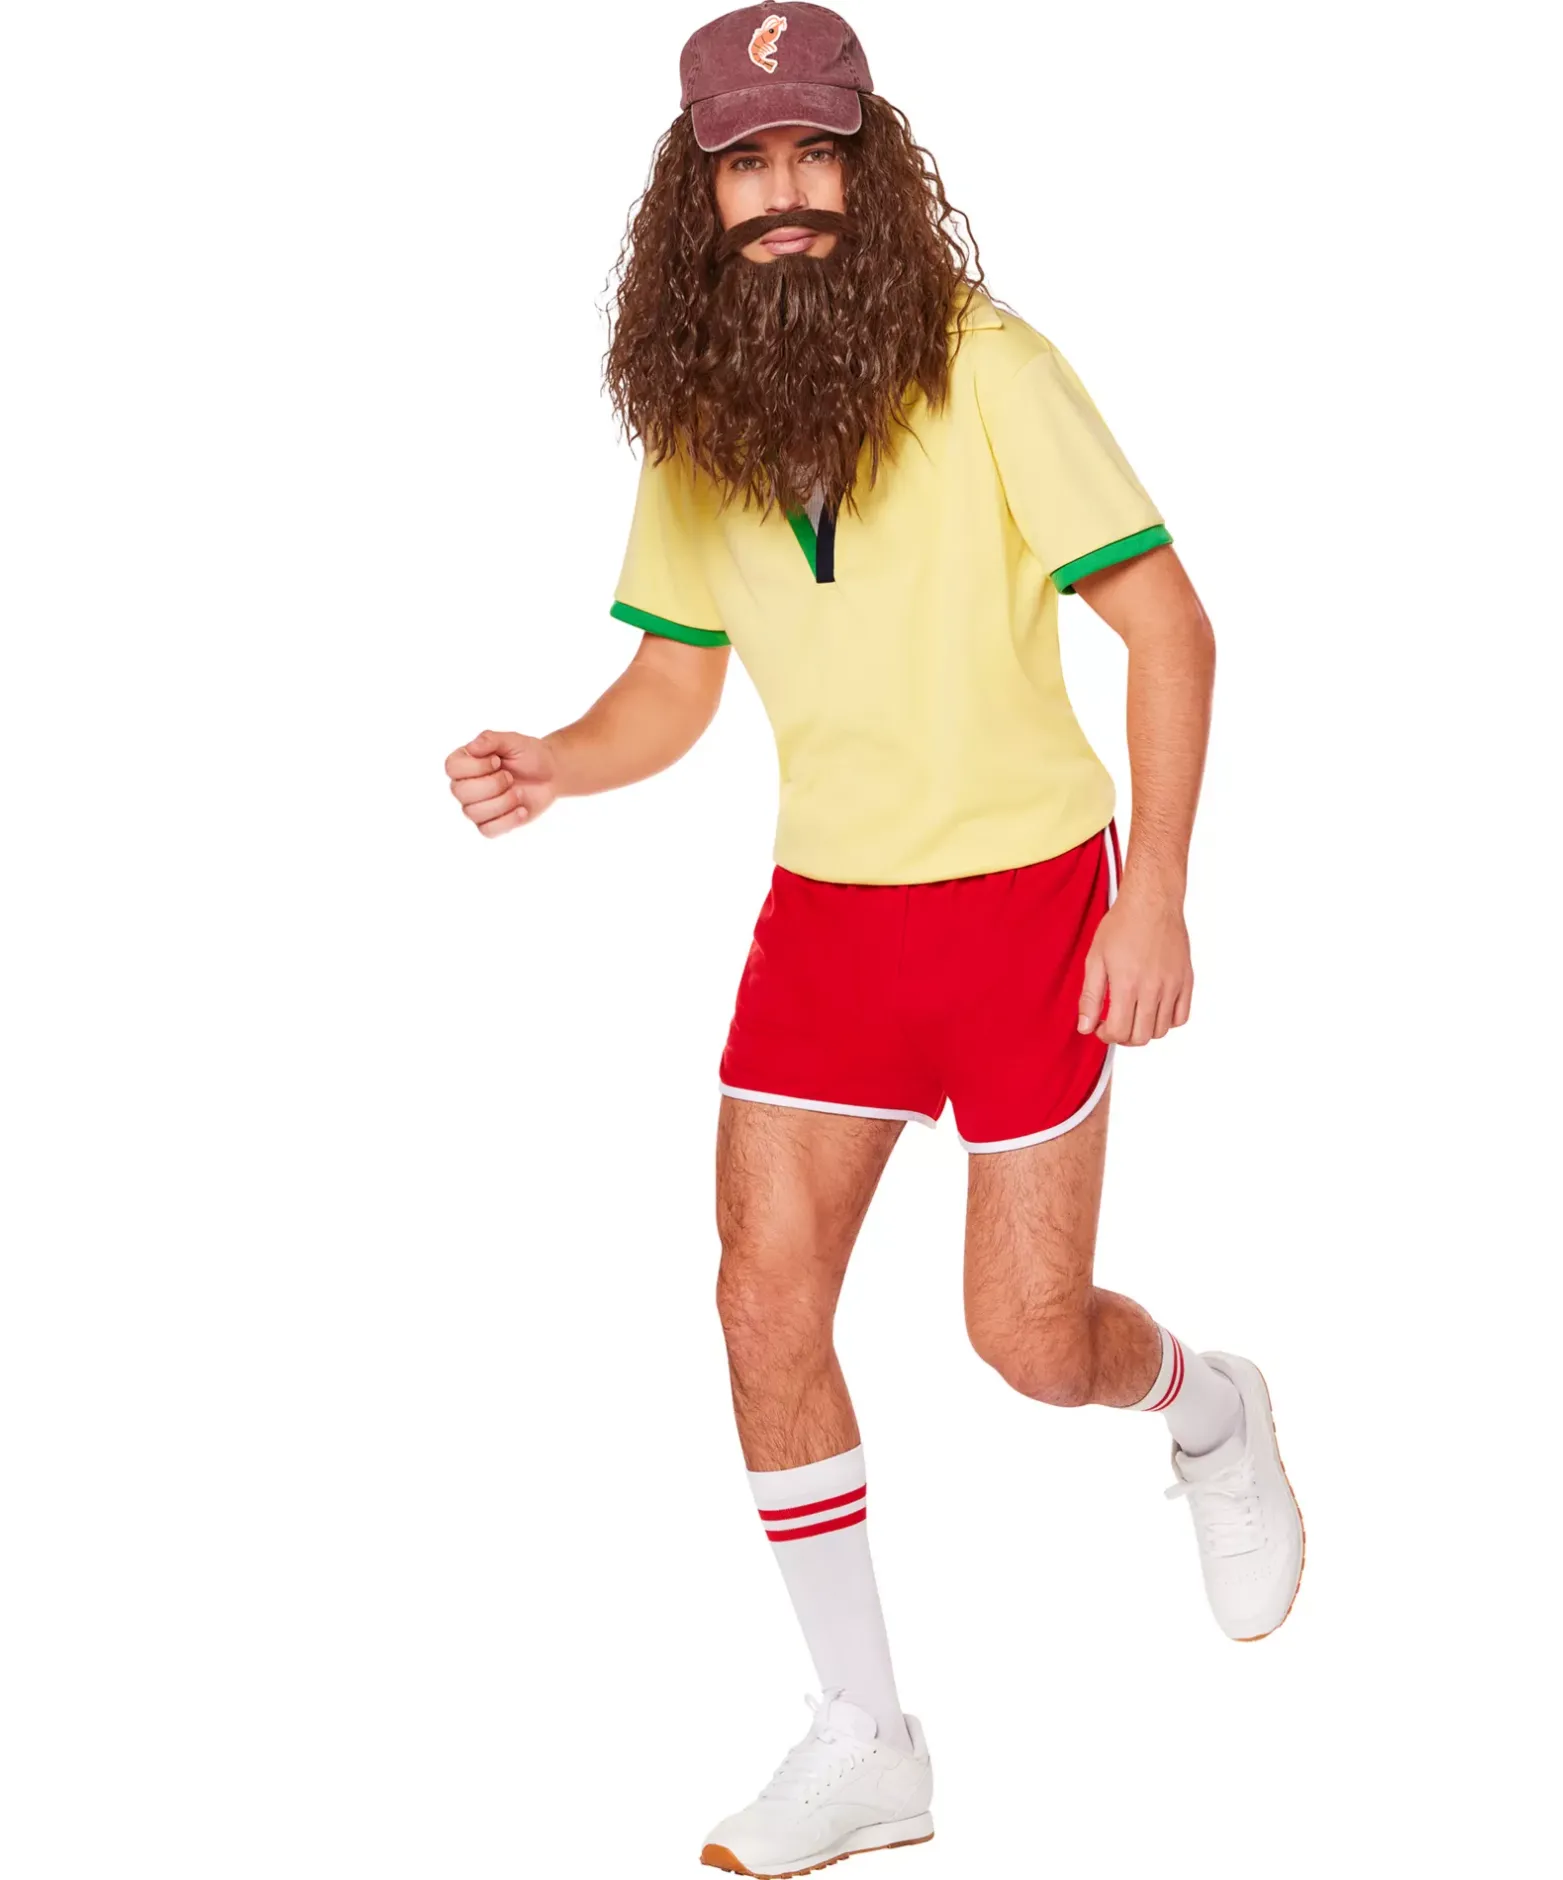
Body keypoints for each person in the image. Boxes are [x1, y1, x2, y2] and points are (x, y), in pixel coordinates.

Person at [443, 6, 1303, 1872]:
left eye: (813, 155)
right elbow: (672, 687)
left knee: (1030, 1340)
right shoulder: (698, 420)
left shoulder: (992, 366)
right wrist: (560, 761)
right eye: (746, 162)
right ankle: (865, 1736)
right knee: (761, 1303)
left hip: (1024, 904)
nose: (783, 193)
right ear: (697, 193)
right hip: (829, 918)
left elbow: (1168, 624)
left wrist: (1156, 891)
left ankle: (1211, 1408)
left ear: (869, 167)